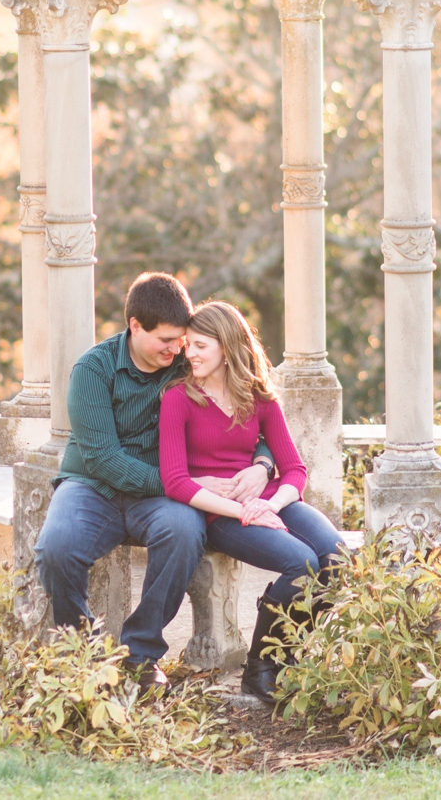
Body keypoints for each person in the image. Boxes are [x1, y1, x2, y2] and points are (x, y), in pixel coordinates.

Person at [34, 273, 278, 688]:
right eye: (165, 339)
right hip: (95, 485)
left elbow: (255, 414)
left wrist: (262, 462)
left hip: (161, 496)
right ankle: (83, 654)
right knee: (56, 548)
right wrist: (184, 483)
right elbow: (105, 460)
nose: (176, 348)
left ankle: (140, 654)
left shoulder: (190, 363)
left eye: (181, 338)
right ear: (134, 326)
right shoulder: (93, 369)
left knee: (184, 531)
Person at [157, 300, 345, 701]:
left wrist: (269, 504)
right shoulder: (178, 398)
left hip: (266, 501)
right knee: (301, 564)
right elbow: (175, 482)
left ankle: (290, 658)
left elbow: (295, 471)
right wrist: (243, 510)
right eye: (188, 345)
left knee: (336, 557)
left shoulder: (259, 397)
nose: (189, 353)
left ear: (226, 347)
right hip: (220, 512)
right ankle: (260, 668)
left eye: (200, 346)